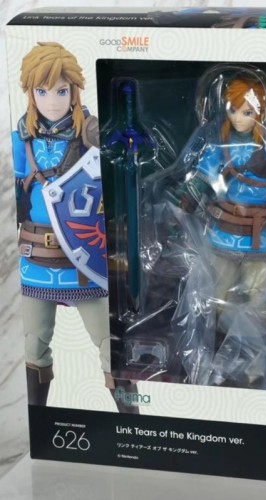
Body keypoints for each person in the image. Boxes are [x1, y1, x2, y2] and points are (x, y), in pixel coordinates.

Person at [12, 42, 137, 412]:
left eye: (61, 91)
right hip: (35, 259)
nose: (52, 101)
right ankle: (38, 423)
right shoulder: (21, 140)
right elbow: (16, 199)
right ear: (30, 93)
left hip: (85, 260)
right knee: (32, 345)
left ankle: (133, 422)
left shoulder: (92, 135)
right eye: (42, 91)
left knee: (111, 346)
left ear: (74, 91)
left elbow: (121, 174)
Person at [178, 75, 266, 388]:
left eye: (247, 112)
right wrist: (185, 203)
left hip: (261, 241)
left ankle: (256, 368)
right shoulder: (219, 148)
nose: (239, 118)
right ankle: (215, 362)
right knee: (215, 301)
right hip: (222, 236)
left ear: (262, 112)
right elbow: (200, 181)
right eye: (234, 110)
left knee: (259, 306)